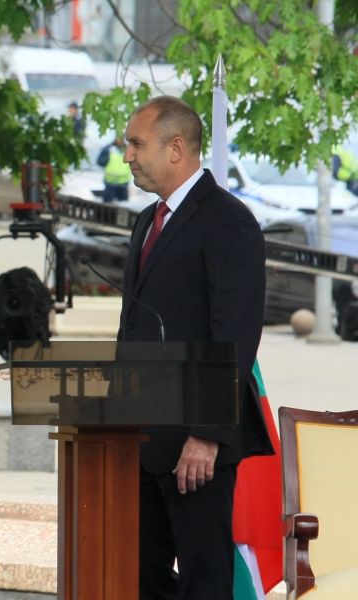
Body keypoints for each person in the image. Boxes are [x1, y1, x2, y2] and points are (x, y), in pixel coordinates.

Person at [117, 96, 274, 599]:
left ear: (177, 148)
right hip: (140, 440)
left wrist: (206, 435)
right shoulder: (147, 220)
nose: (127, 156)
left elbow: (234, 334)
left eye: (136, 144)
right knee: (144, 578)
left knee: (205, 582)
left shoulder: (228, 222)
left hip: (195, 447)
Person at [97, 137, 131, 202]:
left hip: (123, 183)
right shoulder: (108, 149)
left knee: (123, 207)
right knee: (107, 206)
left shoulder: (128, 149)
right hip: (110, 182)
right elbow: (100, 162)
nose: (119, 140)